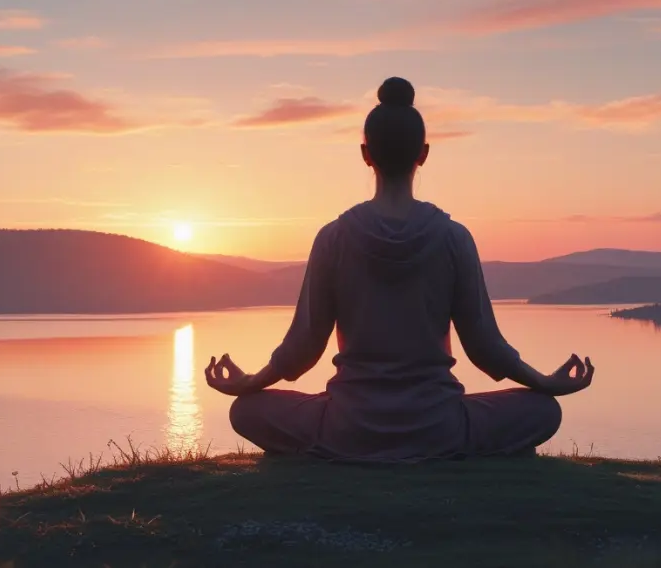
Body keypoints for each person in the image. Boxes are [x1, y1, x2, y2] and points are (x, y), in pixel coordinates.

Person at [205, 77, 595, 462]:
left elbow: (304, 346)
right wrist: (544, 383)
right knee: (543, 411)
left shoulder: (333, 239)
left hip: (348, 427)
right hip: (439, 426)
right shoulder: (453, 238)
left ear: (365, 154)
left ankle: (346, 450)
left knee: (247, 410)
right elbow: (485, 348)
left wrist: (250, 383)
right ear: (423, 154)